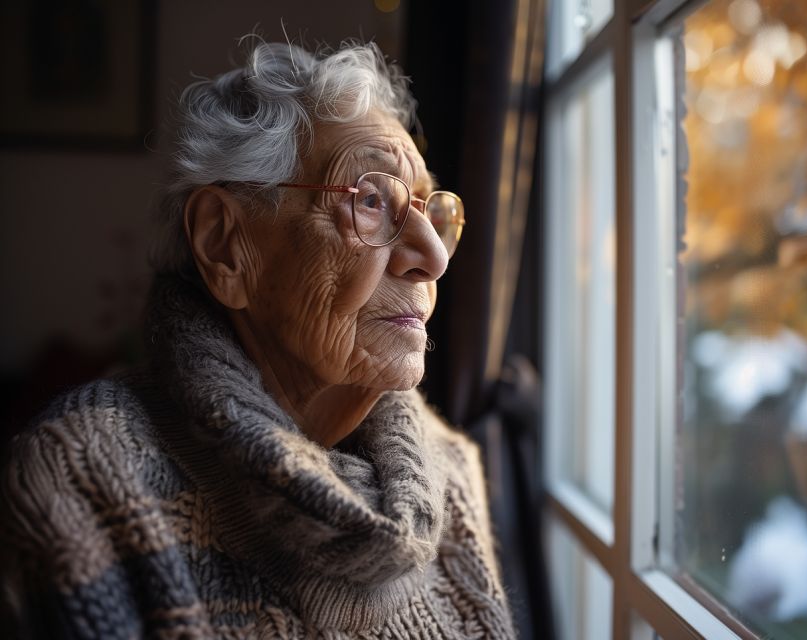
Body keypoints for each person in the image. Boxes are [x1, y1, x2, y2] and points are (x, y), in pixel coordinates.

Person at [0, 40, 515, 638]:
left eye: (430, 212)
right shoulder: (78, 483)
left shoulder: (451, 465)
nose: (433, 258)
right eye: (372, 201)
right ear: (225, 246)